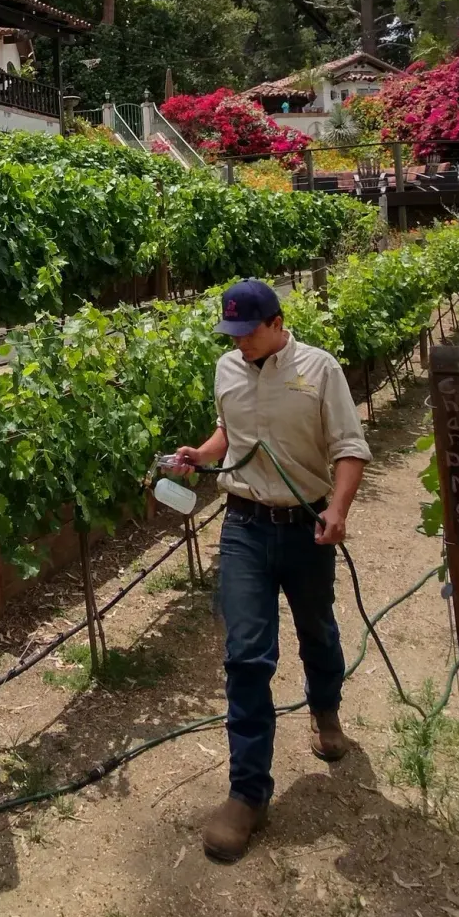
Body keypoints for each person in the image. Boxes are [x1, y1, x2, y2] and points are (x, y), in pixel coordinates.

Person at [166, 278, 370, 863]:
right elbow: (235, 431)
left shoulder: (319, 369)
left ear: (278, 322)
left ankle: (325, 707)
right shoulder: (228, 369)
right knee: (246, 655)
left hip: (305, 527)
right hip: (244, 528)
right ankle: (247, 793)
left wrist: (338, 508)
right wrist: (202, 455)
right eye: (232, 335)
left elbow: (349, 447)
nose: (240, 344)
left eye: (249, 332)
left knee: (316, 629)